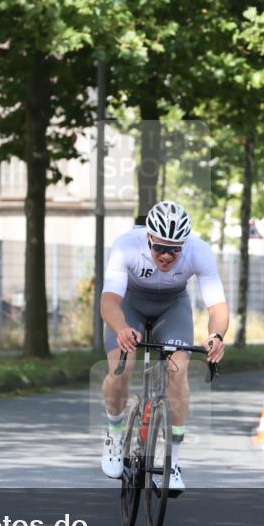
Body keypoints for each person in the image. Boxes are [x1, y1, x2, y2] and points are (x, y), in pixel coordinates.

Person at [99, 200, 229, 495]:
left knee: (178, 370)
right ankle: (115, 433)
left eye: (175, 249)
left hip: (172, 307)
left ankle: (172, 462)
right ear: (148, 238)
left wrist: (216, 336)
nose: (167, 256)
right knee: (121, 367)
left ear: (184, 244)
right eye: (160, 247)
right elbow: (109, 301)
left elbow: (217, 305)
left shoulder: (199, 251)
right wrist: (122, 329)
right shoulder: (126, 246)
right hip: (130, 305)